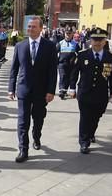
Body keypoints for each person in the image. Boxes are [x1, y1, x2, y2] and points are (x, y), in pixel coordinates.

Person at [8, 17, 57, 162]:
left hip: (41, 91)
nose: (30, 29)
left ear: (41, 28)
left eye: (33, 27)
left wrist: (51, 91)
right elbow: (14, 69)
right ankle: (23, 149)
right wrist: (11, 88)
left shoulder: (49, 46)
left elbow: (53, 71)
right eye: (29, 27)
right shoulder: (20, 46)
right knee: (23, 120)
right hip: (23, 89)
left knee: (38, 117)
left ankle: (36, 136)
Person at [70, 28, 112, 154]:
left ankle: (90, 133)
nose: (97, 42)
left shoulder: (111, 57)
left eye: (100, 40)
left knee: (97, 116)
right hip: (85, 92)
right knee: (85, 117)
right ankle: (84, 142)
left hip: (101, 93)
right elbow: (74, 73)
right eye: (94, 39)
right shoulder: (82, 55)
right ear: (90, 40)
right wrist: (72, 88)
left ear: (105, 41)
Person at [56, 29, 80, 99]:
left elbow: (80, 54)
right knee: (62, 77)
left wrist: (77, 60)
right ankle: (62, 92)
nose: (68, 35)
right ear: (64, 34)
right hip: (62, 64)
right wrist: (56, 62)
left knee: (72, 78)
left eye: (69, 34)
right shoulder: (60, 43)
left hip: (72, 65)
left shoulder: (75, 44)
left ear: (72, 34)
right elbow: (54, 53)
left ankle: (71, 91)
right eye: (66, 34)